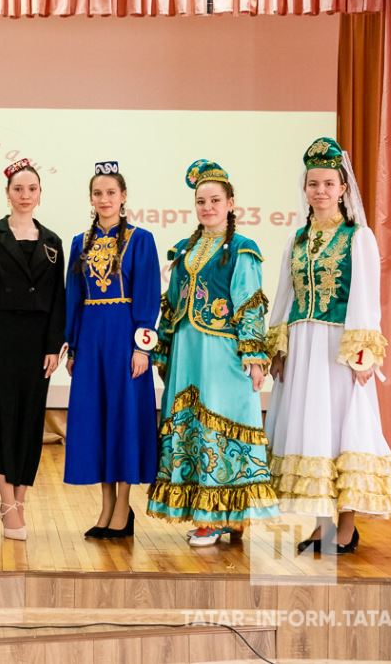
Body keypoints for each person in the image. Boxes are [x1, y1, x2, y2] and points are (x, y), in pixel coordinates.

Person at [266, 137, 391, 555]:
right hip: (303, 346)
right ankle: (321, 526)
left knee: (341, 430)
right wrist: (278, 345)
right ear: (305, 188)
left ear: (343, 188)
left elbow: (365, 297)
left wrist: (362, 352)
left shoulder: (357, 237)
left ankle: (346, 528)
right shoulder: (296, 239)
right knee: (311, 432)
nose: (321, 191)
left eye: (329, 183)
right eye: (314, 184)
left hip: (337, 348)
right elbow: (285, 295)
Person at [147, 160, 279, 547]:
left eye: (215, 200)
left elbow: (249, 303)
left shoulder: (242, 249)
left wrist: (254, 358)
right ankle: (215, 515)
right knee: (192, 425)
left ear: (231, 203)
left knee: (221, 422)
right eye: (201, 202)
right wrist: (163, 348)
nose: (207, 207)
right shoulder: (185, 249)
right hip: (188, 351)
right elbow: (172, 302)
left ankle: (220, 517)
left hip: (222, 352)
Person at [0, 158, 65, 541]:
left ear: (40, 194)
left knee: (30, 421)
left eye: (32, 189)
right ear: (7, 193)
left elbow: (58, 299)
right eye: (18, 189)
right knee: (1, 419)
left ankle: (20, 501)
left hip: (37, 344)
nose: (25, 195)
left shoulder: (52, 241)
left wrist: (54, 346)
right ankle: (6, 501)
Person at [62, 162, 160, 540]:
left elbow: (148, 296)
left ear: (123, 197)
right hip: (91, 339)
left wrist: (142, 348)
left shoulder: (141, 239)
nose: (104, 199)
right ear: (91, 198)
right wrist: (73, 346)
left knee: (125, 417)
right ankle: (105, 506)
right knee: (98, 418)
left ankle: (124, 506)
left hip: (124, 339)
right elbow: (74, 297)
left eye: (111, 193)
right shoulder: (79, 243)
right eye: (98, 193)